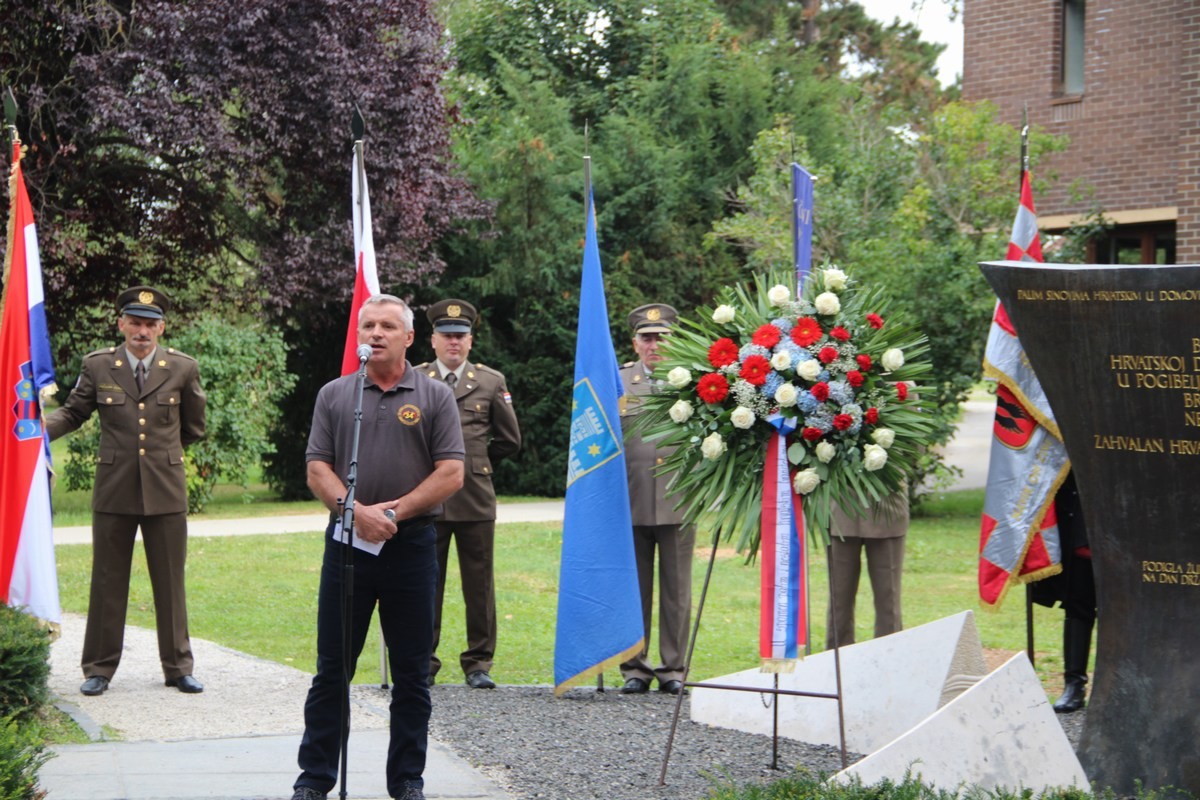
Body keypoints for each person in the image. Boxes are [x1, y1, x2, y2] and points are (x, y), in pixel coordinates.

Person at [292, 294, 464, 800]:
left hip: (410, 547)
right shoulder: (337, 395)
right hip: (347, 545)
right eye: (368, 325)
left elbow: (451, 472)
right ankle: (315, 779)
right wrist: (356, 513)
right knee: (332, 670)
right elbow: (317, 468)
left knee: (412, 672)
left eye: (389, 326)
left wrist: (393, 513)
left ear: (409, 338)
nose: (376, 333)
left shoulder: (434, 397)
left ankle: (407, 780)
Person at [46, 286, 207, 696]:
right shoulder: (99, 365)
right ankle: (98, 668)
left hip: (166, 489)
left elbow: (194, 428)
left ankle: (177, 666)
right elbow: (74, 412)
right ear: (120, 324)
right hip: (114, 487)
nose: (142, 331)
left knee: (170, 580)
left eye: (150, 324)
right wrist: (33, 432)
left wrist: (161, 456)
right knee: (107, 578)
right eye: (134, 322)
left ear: (162, 328)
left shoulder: (182, 368)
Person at [417, 299, 521, 690]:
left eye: (460, 336)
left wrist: (473, 462)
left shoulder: (490, 381)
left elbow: (510, 439)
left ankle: (478, 663)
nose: (453, 343)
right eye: (446, 336)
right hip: (427, 499)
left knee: (479, 586)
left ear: (471, 341)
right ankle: (423, 661)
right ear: (433, 341)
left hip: (475, 497)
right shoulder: (416, 378)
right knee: (426, 583)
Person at [617, 303, 695, 696]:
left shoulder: (692, 381)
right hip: (631, 500)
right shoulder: (619, 382)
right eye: (647, 339)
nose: (654, 346)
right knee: (634, 590)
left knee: (677, 590)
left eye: (661, 338)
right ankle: (635, 666)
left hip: (679, 498)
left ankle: (673, 667)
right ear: (635, 343)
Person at [1031, 471, 1096, 713]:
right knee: (1078, 604)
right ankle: (1074, 685)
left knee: (1126, 613)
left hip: (1129, 525)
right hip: (1080, 521)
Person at [825, 491, 909, 648]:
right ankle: (836, 661)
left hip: (886, 507)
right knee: (839, 598)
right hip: (842, 506)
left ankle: (889, 656)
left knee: (888, 599)